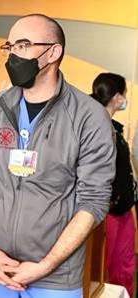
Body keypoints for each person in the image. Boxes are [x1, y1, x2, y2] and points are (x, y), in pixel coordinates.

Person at [0, 14, 116, 298]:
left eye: (23, 45)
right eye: (9, 46)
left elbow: (93, 201)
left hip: (56, 279)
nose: (13, 55)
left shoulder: (89, 117)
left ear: (53, 52)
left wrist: (45, 266)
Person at [91, 73, 136, 296]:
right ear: (117, 97)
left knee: (124, 267)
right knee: (97, 270)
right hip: (103, 213)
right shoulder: (94, 128)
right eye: (124, 94)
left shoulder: (115, 129)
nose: (125, 99)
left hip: (124, 210)